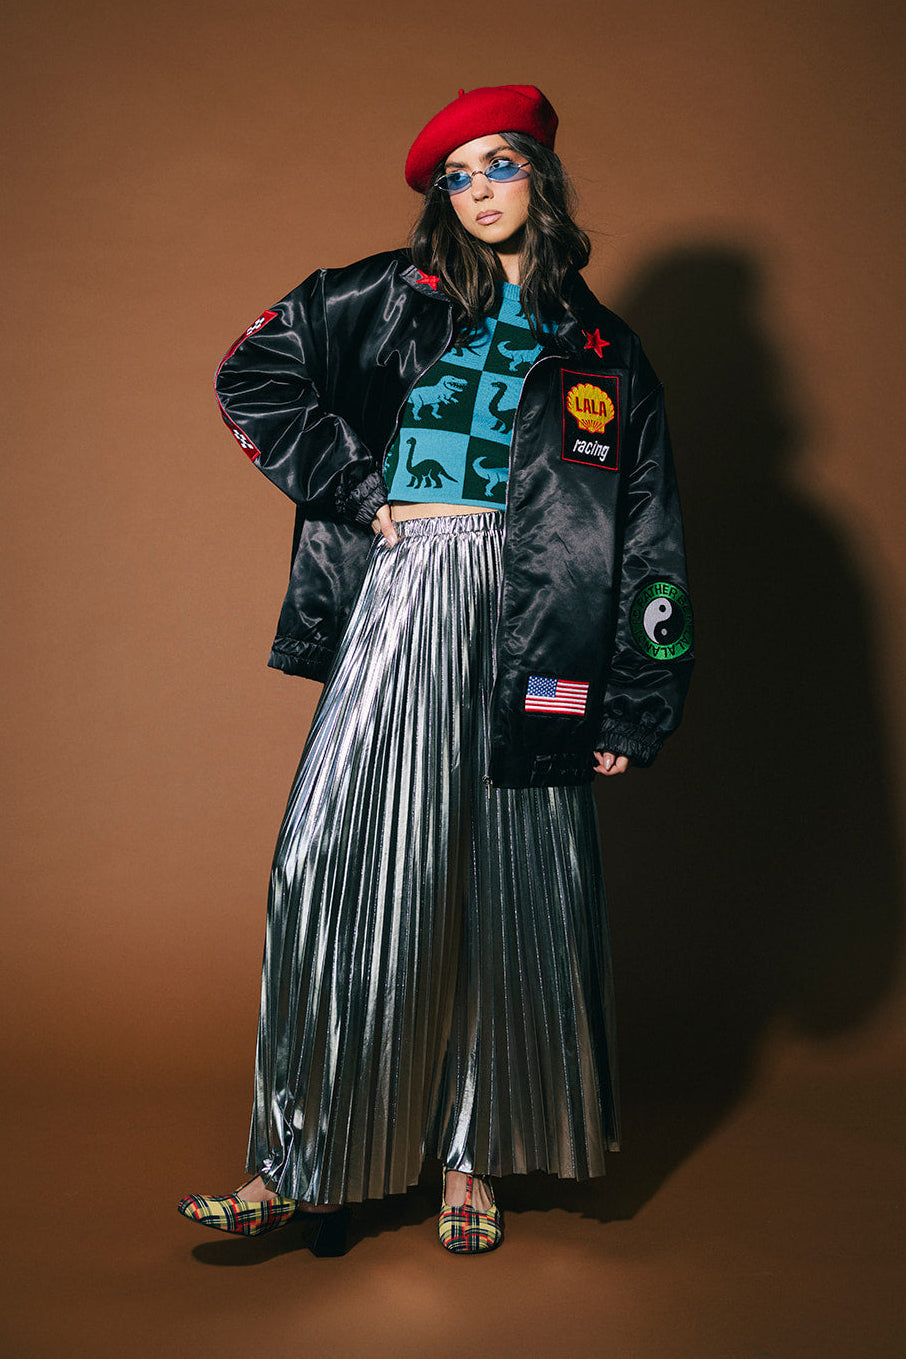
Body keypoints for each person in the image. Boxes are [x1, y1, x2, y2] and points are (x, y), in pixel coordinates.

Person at [178, 84, 693, 1257]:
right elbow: (252, 375)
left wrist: (635, 697)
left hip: (542, 626)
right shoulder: (386, 295)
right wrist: (365, 492)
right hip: (410, 589)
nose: (479, 191)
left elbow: (651, 533)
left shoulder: (607, 349)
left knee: (510, 885)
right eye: (457, 177)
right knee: (330, 858)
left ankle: (471, 1161)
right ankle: (296, 1158)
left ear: (540, 181)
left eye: (499, 165)